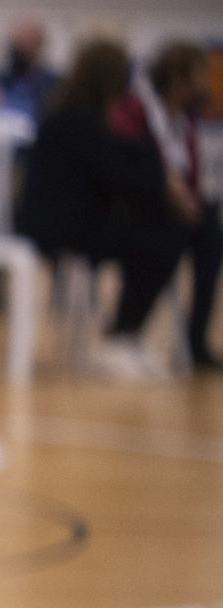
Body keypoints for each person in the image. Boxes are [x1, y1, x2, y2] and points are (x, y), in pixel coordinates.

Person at [17, 40, 193, 383]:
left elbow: (125, 156)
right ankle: (120, 338)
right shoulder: (75, 120)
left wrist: (160, 177)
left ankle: (126, 335)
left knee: (159, 232)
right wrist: (163, 183)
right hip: (54, 225)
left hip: (73, 220)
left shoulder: (84, 116)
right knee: (158, 238)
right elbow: (114, 172)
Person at [135, 40, 220, 371]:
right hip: (145, 206)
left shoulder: (185, 120)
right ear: (180, 76)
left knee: (211, 238)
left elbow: (190, 176)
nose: (206, 82)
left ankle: (196, 339)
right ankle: (128, 329)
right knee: (168, 237)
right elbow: (142, 166)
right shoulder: (143, 110)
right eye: (201, 74)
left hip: (175, 207)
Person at [0, 16, 59, 121]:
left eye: (25, 43)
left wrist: (0, 100)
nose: (18, 49)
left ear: (39, 46)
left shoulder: (53, 83)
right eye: (15, 42)